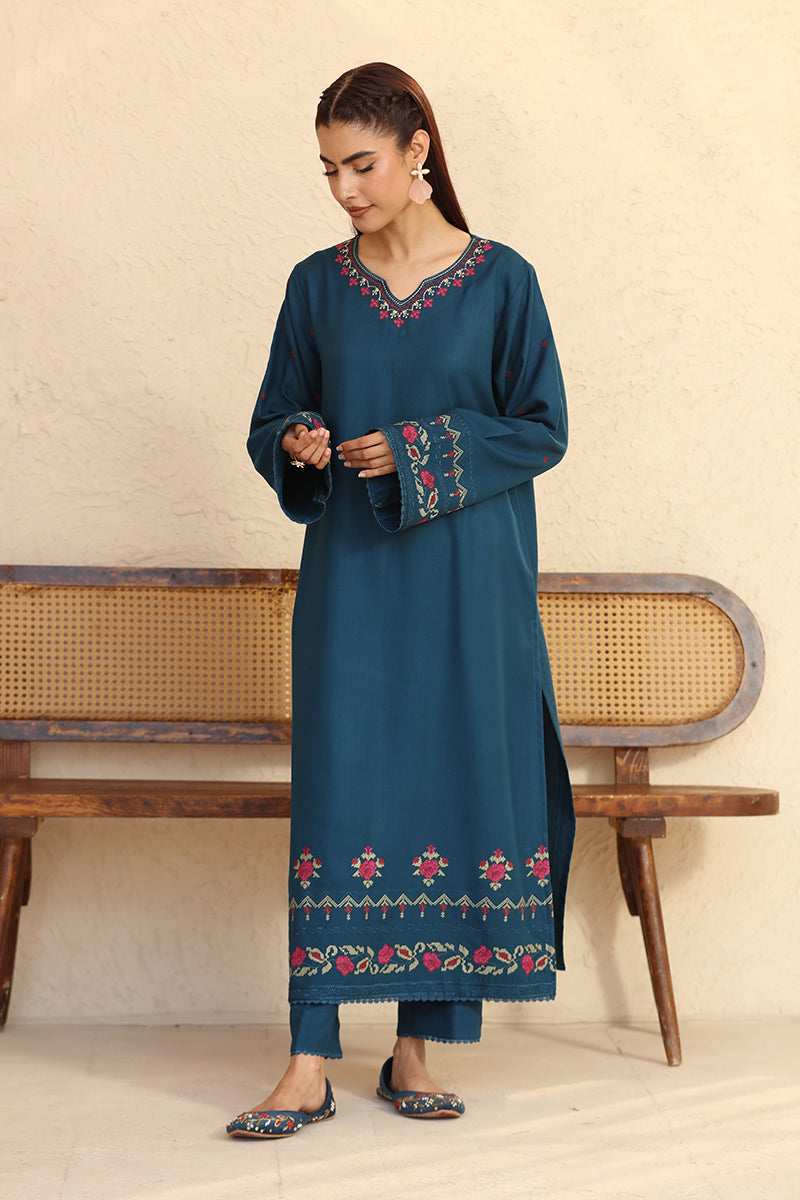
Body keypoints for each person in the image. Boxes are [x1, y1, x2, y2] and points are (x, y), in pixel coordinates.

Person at [227, 62, 574, 1138]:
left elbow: (540, 426)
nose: (343, 190)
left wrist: (420, 447)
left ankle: (414, 1049)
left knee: (453, 783)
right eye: (328, 169)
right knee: (341, 785)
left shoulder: (502, 280)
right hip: (354, 583)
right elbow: (274, 412)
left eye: (360, 164)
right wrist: (299, 439)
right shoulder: (315, 285)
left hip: (469, 584)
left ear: (416, 149)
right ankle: (305, 1059)